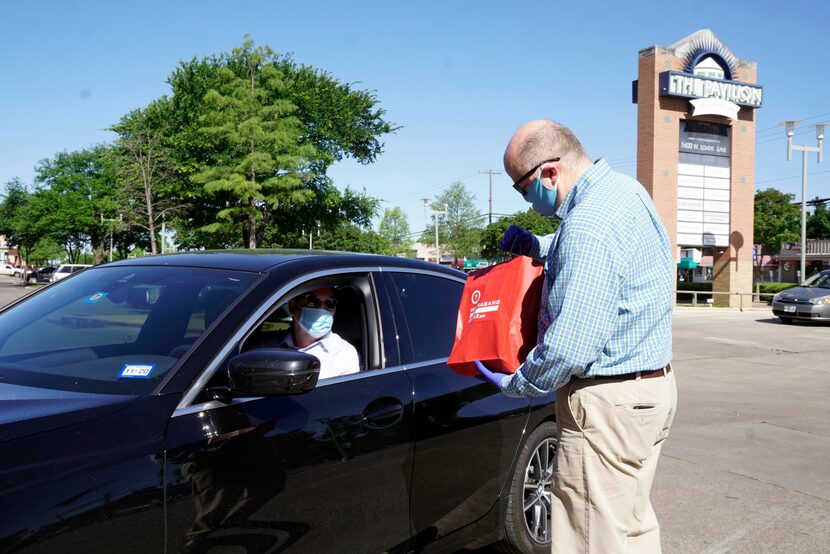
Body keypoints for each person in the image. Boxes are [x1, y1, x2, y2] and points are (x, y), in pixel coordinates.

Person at [476, 119, 677, 553]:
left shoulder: (588, 224)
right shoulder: (625, 192)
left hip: (606, 404)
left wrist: (519, 384)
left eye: (522, 187)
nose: (527, 199)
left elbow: (570, 345)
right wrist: (538, 246)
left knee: (590, 539)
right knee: (630, 529)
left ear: (550, 172)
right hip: (649, 393)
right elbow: (597, 251)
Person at [255, 287, 360, 380]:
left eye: (330, 302)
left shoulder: (342, 354)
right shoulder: (266, 346)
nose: (322, 309)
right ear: (292, 307)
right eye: (313, 300)